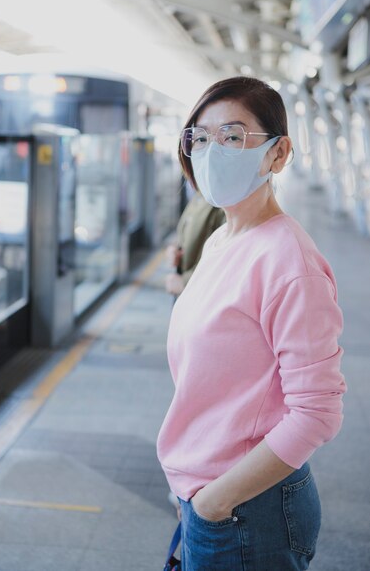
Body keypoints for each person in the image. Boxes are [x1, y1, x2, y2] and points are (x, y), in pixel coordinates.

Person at [157, 76, 346, 571]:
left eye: (233, 136)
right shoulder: (224, 238)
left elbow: (318, 412)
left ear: (278, 154)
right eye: (200, 137)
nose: (211, 150)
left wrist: (216, 502)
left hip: (247, 509)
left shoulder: (289, 263)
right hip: (212, 496)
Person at [165, 184, 225, 298]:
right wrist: (175, 252)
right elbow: (187, 235)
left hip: (202, 297)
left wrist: (185, 282)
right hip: (186, 294)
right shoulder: (200, 194)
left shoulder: (222, 203)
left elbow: (225, 263)